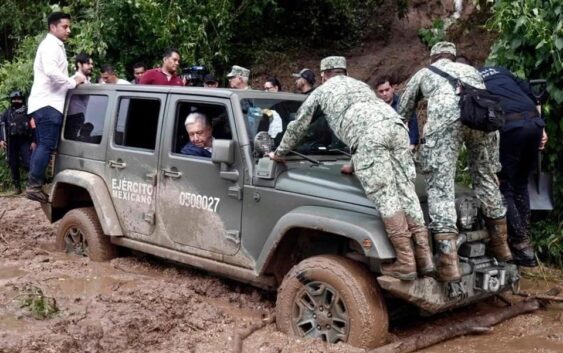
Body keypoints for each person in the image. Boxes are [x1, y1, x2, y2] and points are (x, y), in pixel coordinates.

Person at [269, 56, 434, 281]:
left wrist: (279, 153)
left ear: (324, 74)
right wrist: (354, 163)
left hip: (370, 138)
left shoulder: (322, 91)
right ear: (345, 72)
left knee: (385, 196)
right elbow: (369, 122)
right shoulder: (361, 86)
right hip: (397, 128)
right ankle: (425, 258)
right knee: (406, 190)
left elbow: (299, 125)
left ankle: (406, 262)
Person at [398, 42, 511, 282]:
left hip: (446, 123)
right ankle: (502, 247)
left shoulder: (425, 73)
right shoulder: (471, 71)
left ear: (433, 58)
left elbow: (402, 110)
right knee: (486, 178)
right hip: (482, 120)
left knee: (441, 185)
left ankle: (448, 265)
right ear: (453, 56)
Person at [479, 66, 548, 267]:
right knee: (521, 183)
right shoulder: (502, 71)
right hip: (534, 124)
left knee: (505, 185)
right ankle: (525, 238)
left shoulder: (473, 78)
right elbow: (530, 92)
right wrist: (541, 127)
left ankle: (519, 244)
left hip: (510, 128)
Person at [26, 12, 86, 202]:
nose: (69, 30)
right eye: (65, 27)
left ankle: (36, 183)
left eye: (69, 27)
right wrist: (72, 81)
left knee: (45, 144)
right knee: (46, 144)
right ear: (53, 27)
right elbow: (52, 72)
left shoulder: (54, 45)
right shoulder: (50, 45)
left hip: (48, 103)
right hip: (48, 103)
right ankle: (33, 185)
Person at [0, 91, 35, 194]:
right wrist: (1, 140)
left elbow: (33, 128)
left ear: (22, 100)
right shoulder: (7, 113)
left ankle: (33, 186)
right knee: (13, 164)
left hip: (24, 140)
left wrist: (34, 141)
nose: (16, 101)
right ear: (11, 100)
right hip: (11, 142)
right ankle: (17, 188)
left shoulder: (28, 112)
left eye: (18, 99)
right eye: (14, 99)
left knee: (29, 162)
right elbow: (1, 126)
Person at [374, 75, 419, 150]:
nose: (384, 93)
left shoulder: (404, 104)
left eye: (387, 90)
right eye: (381, 91)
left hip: (404, 148)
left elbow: (413, 125)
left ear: (392, 88)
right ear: (377, 92)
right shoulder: (375, 108)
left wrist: (412, 144)